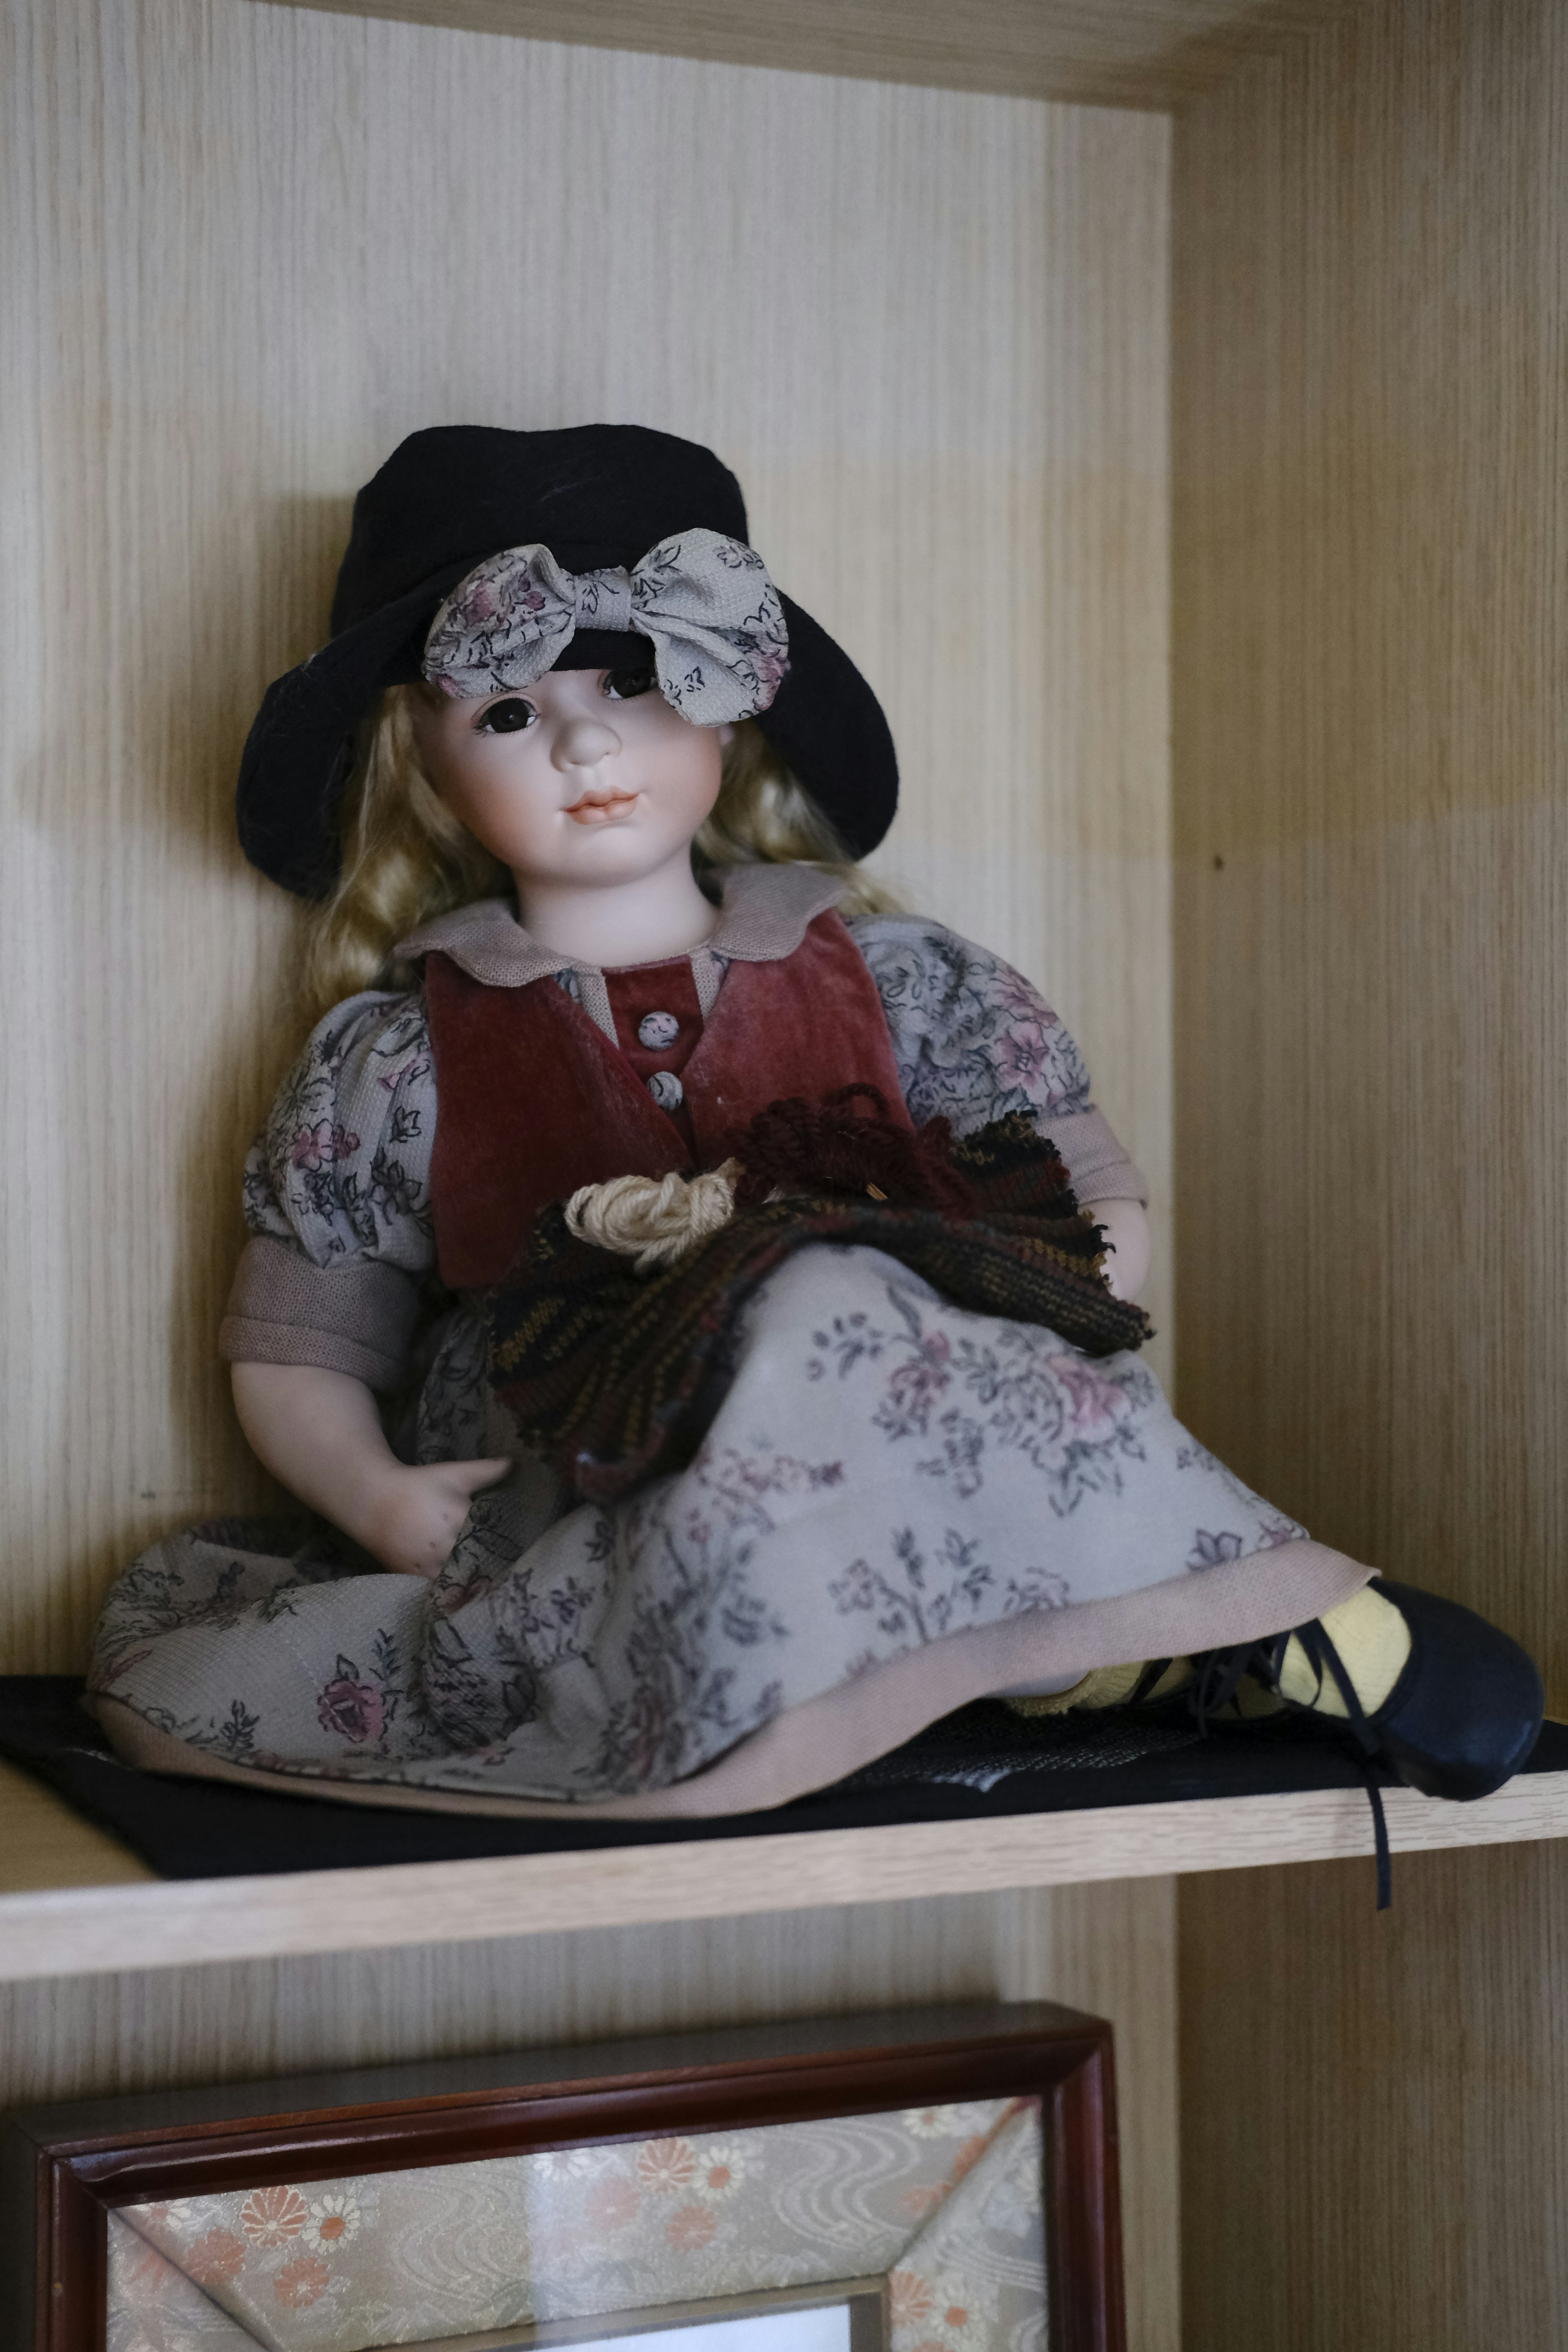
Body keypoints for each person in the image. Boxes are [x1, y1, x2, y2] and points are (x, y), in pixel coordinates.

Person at [88, 424, 1542, 1829]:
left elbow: (1087, 1200)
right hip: (596, 1495)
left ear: (732, 706)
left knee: (837, 1292)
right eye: (513, 712)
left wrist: (1026, 1340)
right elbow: (297, 1347)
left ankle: (1170, 1620)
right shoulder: (400, 1056)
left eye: (643, 688)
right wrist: (379, 1497)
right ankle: (1126, 1645)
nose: (586, 742)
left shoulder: (904, 981)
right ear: (425, 760)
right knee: (802, 1298)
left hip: (909, 1432)